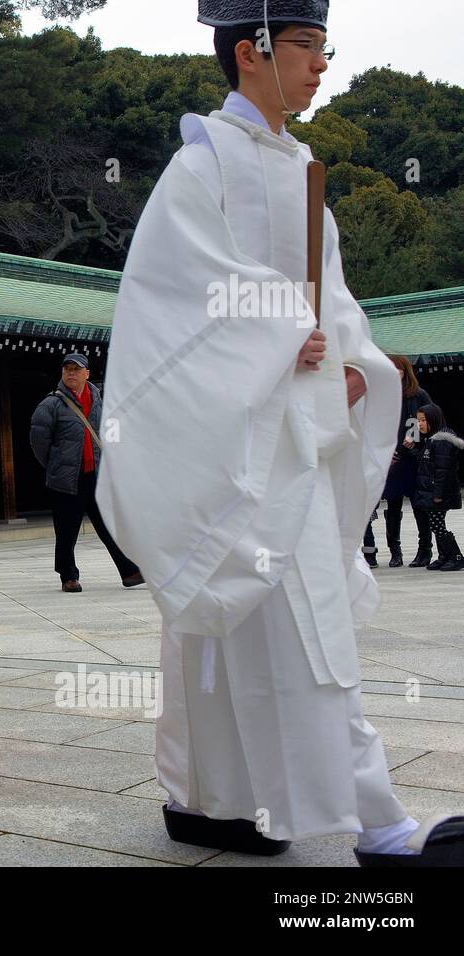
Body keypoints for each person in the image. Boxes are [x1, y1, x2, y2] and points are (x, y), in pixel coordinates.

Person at [97, 0, 464, 865]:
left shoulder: (304, 168)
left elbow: (332, 306)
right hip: (242, 432)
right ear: (249, 49)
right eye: (305, 45)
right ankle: (375, 823)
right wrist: (269, 332)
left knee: (246, 626)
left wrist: (350, 364)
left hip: (297, 422)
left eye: (323, 47)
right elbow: (167, 300)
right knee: (302, 624)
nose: (321, 63)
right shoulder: (202, 165)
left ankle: (208, 799)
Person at [30, 354, 143, 593]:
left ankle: (129, 571)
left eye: (76, 369)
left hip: (97, 476)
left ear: (87, 373)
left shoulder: (101, 402)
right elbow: (38, 440)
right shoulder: (51, 404)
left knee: (108, 526)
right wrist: (55, 466)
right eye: (67, 369)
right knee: (66, 530)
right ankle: (68, 576)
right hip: (67, 479)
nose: (71, 373)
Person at [363, 356, 433, 568]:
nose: (395, 372)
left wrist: (407, 448)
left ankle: (425, 550)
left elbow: (428, 421)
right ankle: (395, 551)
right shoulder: (380, 394)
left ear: (405, 371)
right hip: (390, 459)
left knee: (420, 507)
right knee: (392, 506)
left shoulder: (418, 395)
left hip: (413, 458)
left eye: (398, 369)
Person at [411, 404, 463, 572]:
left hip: (439, 493)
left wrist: (438, 494)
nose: (420, 424)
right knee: (436, 524)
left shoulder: (441, 441)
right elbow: (425, 463)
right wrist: (412, 449)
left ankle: (455, 556)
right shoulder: (432, 439)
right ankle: (444, 556)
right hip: (433, 492)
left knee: (438, 525)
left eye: (423, 420)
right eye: (418, 420)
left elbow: (443, 471)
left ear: (433, 419)